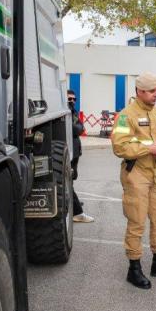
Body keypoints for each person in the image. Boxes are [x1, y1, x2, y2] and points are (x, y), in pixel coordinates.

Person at [110, 72, 156, 289]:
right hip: (136, 176)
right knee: (137, 222)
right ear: (139, 92)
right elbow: (119, 146)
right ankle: (134, 268)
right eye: (152, 91)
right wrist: (147, 148)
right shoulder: (126, 115)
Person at [68, 89, 95, 223]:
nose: (72, 101)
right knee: (68, 182)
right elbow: (75, 129)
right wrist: (77, 128)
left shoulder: (73, 112)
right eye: (69, 99)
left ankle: (72, 205)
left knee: (71, 179)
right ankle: (77, 212)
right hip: (68, 153)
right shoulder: (65, 113)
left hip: (75, 152)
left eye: (74, 99)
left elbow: (81, 128)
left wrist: (78, 128)